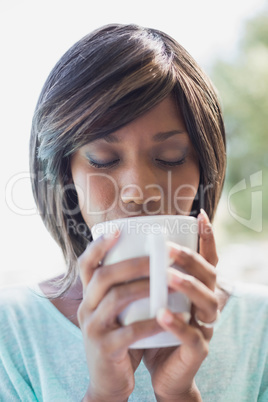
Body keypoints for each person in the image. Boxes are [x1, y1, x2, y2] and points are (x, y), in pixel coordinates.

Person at [0, 23, 267, 402]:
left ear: (205, 171)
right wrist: (105, 394)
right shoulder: (11, 332)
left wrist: (179, 394)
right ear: (66, 176)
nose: (138, 192)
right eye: (103, 160)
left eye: (170, 158)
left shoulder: (260, 328)